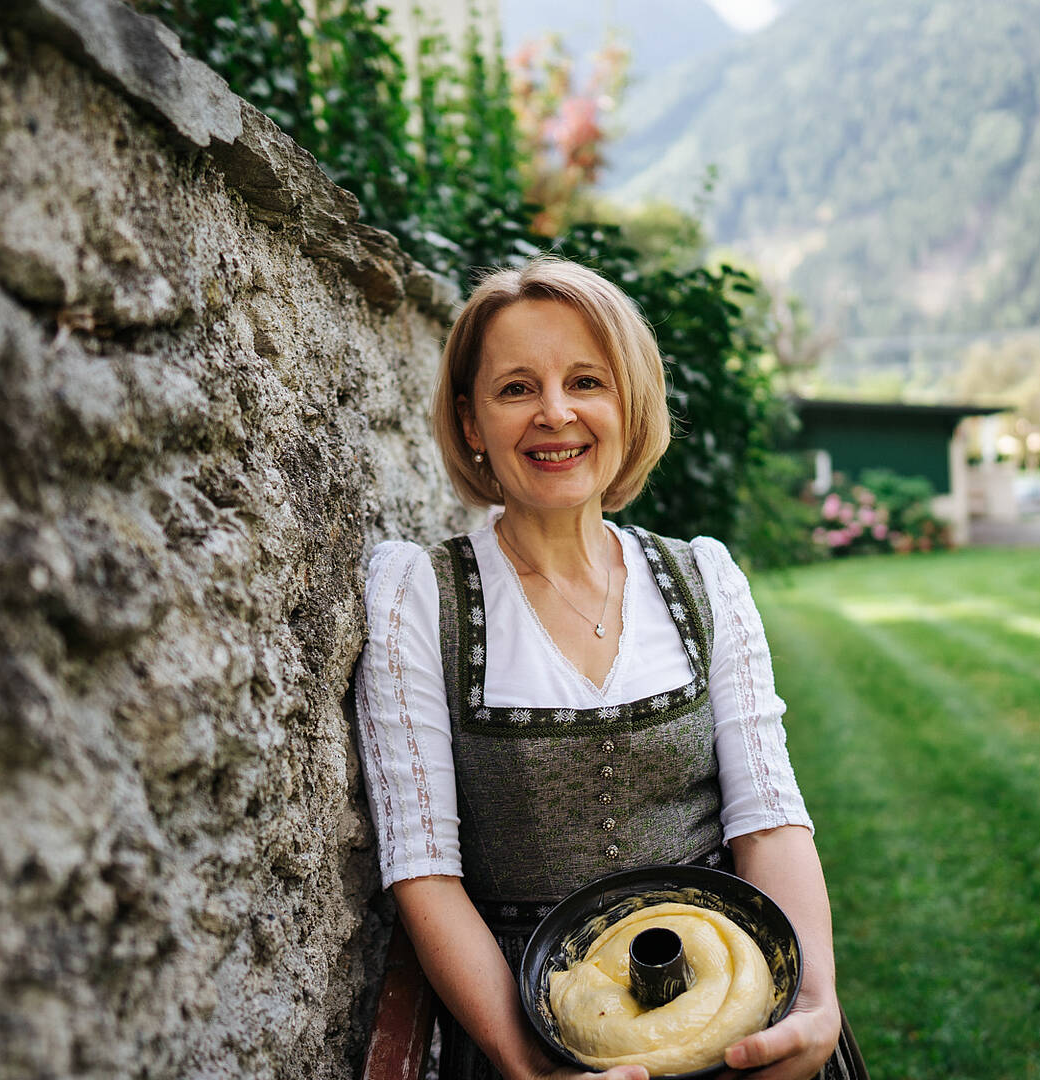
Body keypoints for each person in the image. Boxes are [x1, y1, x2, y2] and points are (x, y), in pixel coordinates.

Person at [354, 257, 864, 1080]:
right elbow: (424, 872)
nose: (555, 413)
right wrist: (532, 1067)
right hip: (528, 1019)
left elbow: (768, 818)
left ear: (629, 403)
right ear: (471, 421)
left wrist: (810, 1008)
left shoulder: (705, 580)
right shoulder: (420, 594)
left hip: (739, 993)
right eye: (516, 388)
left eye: (585, 380)